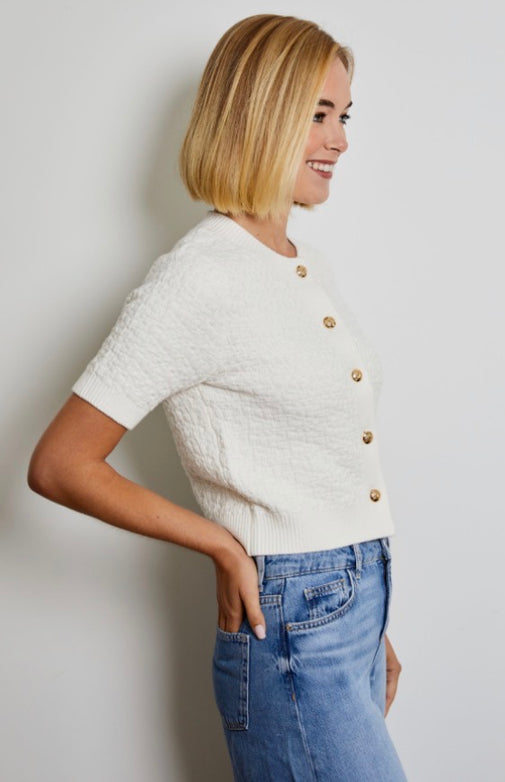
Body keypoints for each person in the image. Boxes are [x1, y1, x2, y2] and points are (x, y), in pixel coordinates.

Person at [28, 13, 408, 781]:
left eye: (343, 115)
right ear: (259, 115)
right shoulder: (199, 277)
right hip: (289, 613)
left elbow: (317, 467)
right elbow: (61, 463)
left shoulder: (304, 263)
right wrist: (222, 544)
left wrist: (367, 622)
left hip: (348, 601)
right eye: (318, 114)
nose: (339, 140)